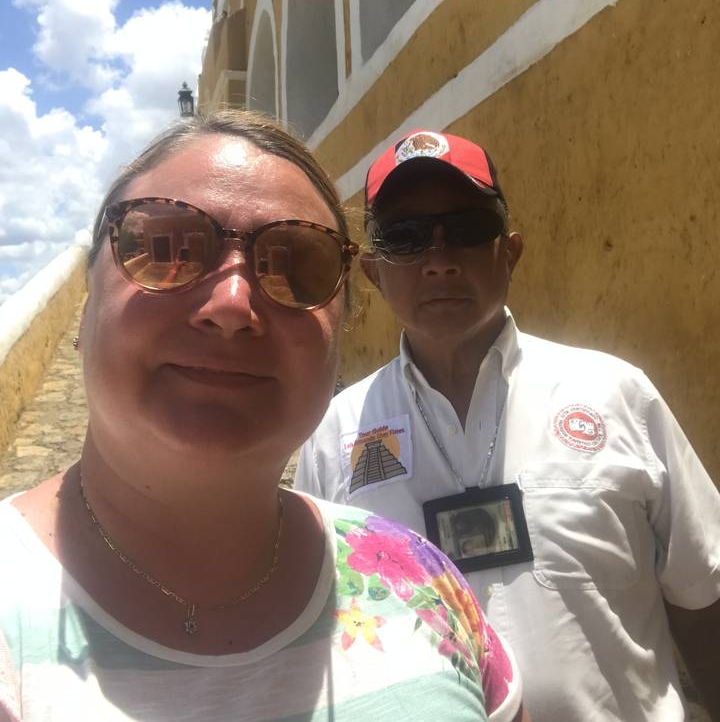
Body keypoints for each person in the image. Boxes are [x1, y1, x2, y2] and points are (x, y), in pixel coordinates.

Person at [0, 112, 526, 722]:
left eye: (296, 265)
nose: (232, 304)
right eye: (164, 250)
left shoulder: (420, 580)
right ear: (84, 306)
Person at [296, 128, 720, 722]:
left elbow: (702, 595)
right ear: (373, 272)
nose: (439, 261)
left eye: (467, 230)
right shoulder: (336, 434)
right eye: (406, 238)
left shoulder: (615, 393)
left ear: (510, 250)